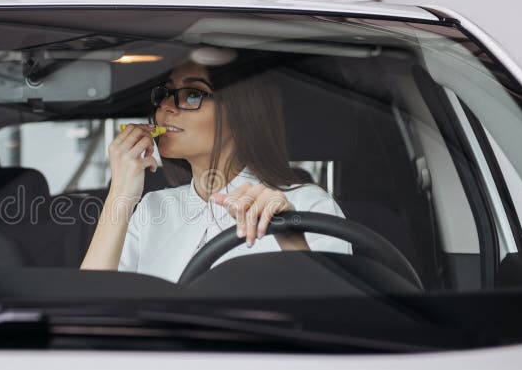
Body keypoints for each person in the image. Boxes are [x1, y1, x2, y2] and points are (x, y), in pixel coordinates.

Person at [80, 52, 350, 283]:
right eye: (166, 93)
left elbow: (331, 316)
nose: (166, 106)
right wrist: (120, 192)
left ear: (243, 112)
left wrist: (292, 240)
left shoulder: (308, 205)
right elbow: (89, 305)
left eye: (192, 94)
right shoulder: (153, 207)